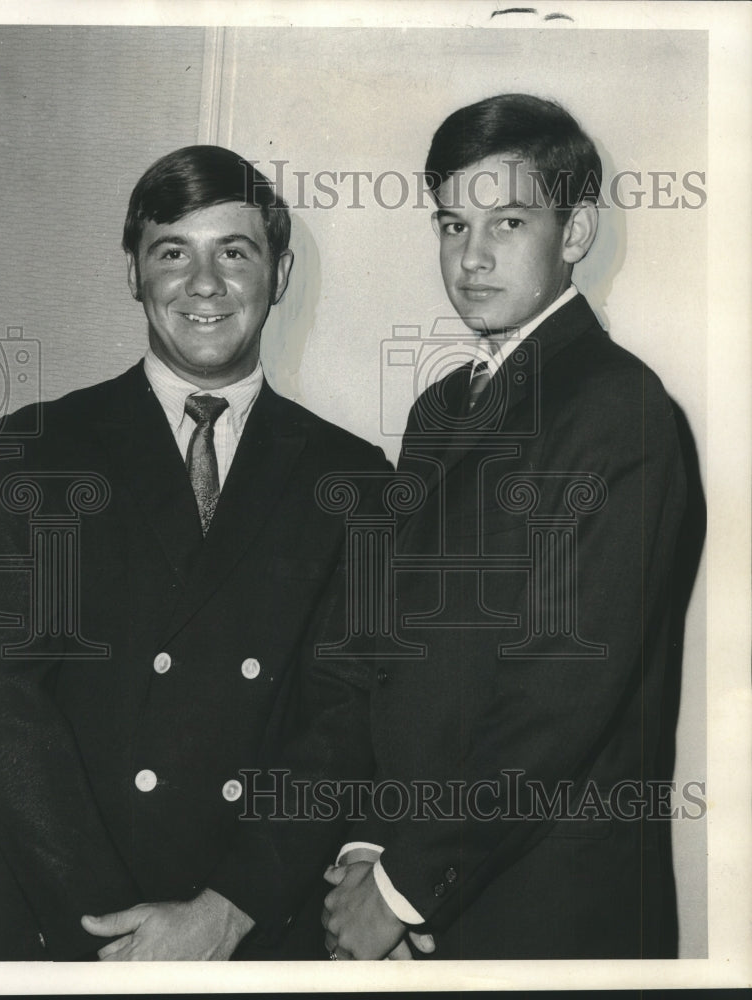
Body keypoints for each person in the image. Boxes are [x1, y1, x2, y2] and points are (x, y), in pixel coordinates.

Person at [0, 145, 388, 960]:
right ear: (133, 274)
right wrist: (107, 931)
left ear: (277, 276)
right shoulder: (40, 446)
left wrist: (227, 910)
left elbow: (344, 719)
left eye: (234, 252)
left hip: (251, 927)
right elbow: (8, 707)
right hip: (74, 926)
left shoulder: (352, 476)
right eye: (173, 251)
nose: (204, 285)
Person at [320, 93, 689, 959]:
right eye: (451, 225)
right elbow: (388, 653)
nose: (470, 256)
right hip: (418, 882)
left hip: (544, 908)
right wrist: (372, 848)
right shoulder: (439, 408)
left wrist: (406, 887)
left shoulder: (620, 408)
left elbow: (558, 702)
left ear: (575, 232)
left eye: (508, 220)